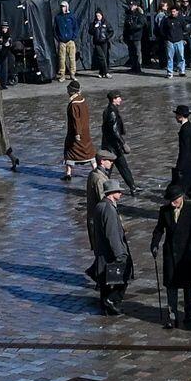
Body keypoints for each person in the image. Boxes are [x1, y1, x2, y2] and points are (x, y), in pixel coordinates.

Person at [149, 186, 191, 328]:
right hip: (171, 254)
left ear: (181, 197)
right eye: (170, 200)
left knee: (188, 286)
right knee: (171, 286)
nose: (172, 203)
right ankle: (172, 316)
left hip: (187, 254)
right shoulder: (164, 210)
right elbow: (159, 229)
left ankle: (189, 313)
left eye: (175, 200)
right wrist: (154, 244)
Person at [83, 178, 132, 316]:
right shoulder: (109, 209)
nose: (121, 194)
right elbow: (112, 234)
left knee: (105, 281)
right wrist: (119, 254)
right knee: (122, 277)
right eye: (118, 191)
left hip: (102, 251)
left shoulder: (100, 206)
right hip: (110, 252)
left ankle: (105, 307)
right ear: (111, 193)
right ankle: (111, 301)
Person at [102, 93, 139, 195]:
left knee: (120, 167)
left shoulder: (109, 110)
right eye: (118, 98)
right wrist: (123, 143)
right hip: (113, 146)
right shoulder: (112, 112)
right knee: (115, 168)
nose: (120, 100)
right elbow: (115, 131)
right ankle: (132, 187)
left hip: (110, 145)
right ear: (114, 99)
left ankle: (132, 187)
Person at [62, 81, 97, 182]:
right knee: (89, 151)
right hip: (85, 131)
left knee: (70, 151)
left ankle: (68, 173)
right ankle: (96, 169)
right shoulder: (82, 100)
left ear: (71, 91)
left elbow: (75, 119)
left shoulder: (74, 104)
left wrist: (77, 133)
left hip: (75, 132)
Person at [170, 104, 191, 195]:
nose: (175, 117)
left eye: (176, 115)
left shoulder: (184, 130)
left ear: (180, 116)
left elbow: (184, 150)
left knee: (183, 190)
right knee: (190, 190)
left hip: (187, 165)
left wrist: (180, 167)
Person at [53, 1, 80, 82]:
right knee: (62, 59)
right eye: (61, 7)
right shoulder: (58, 17)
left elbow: (76, 27)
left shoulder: (71, 16)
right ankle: (62, 75)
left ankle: (72, 74)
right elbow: (55, 29)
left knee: (72, 58)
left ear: (67, 7)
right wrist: (59, 38)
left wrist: (73, 37)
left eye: (64, 6)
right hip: (62, 42)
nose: (63, 8)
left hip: (70, 41)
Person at [89, 9, 113, 79]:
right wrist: (94, 27)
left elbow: (111, 31)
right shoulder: (94, 23)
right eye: (97, 16)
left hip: (104, 42)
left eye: (99, 15)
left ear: (102, 15)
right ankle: (106, 72)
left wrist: (107, 37)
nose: (98, 17)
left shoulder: (106, 22)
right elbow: (90, 32)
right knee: (101, 57)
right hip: (97, 43)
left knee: (104, 58)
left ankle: (101, 72)